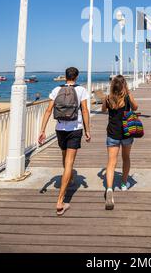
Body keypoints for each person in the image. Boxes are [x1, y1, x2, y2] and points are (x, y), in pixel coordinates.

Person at [38, 67, 91, 216]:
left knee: (64, 156)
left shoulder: (56, 89)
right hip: (75, 128)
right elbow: (85, 111)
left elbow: (48, 110)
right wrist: (87, 130)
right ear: (76, 77)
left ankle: (69, 177)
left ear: (65, 77)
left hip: (60, 128)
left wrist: (42, 130)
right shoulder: (81, 90)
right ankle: (60, 201)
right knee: (69, 163)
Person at [102, 75, 138, 210]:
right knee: (126, 158)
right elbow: (135, 107)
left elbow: (103, 110)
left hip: (112, 133)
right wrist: (129, 93)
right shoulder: (128, 97)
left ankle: (110, 188)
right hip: (127, 132)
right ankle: (123, 183)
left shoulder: (108, 98)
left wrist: (106, 99)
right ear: (124, 85)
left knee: (111, 162)